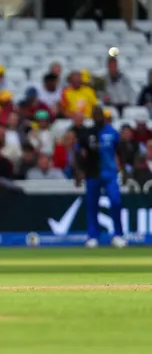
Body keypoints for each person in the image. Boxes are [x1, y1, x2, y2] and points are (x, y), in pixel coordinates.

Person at [75, 106, 127, 248]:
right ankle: (93, 236)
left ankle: (118, 235)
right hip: (93, 173)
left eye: (99, 114)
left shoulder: (112, 132)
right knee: (92, 205)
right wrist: (79, 171)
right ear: (92, 116)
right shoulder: (87, 133)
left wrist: (123, 169)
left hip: (110, 174)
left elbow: (120, 151)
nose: (97, 117)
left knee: (116, 202)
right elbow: (79, 153)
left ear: (103, 116)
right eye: (95, 114)